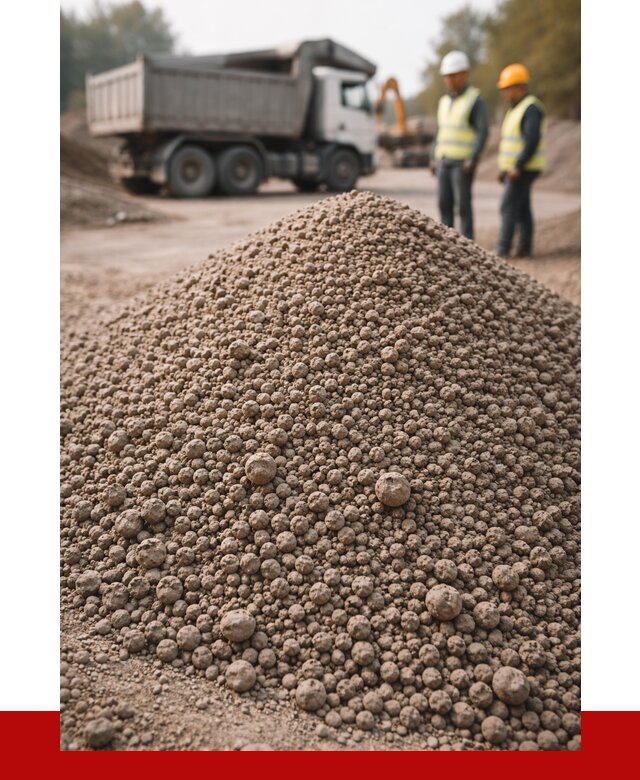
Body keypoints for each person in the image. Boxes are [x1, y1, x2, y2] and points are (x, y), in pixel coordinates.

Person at [431, 50, 489, 240]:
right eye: (446, 76)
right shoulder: (444, 101)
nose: (449, 79)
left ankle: (467, 247)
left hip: (462, 163)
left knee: (463, 206)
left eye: (453, 75)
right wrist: (433, 156)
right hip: (444, 161)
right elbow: (441, 131)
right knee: (444, 205)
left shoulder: (475, 100)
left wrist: (473, 157)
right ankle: (447, 245)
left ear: (464, 74)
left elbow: (482, 132)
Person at [496, 63, 546, 258]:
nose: (505, 93)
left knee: (508, 206)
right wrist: (504, 168)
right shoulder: (515, 108)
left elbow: (531, 140)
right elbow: (511, 143)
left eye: (507, 89)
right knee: (522, 208)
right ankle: (524, 248)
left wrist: (518, 166)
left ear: (519, 87)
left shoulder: (530, 108)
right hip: (517, 167)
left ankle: (503, 249)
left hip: (524, 167)